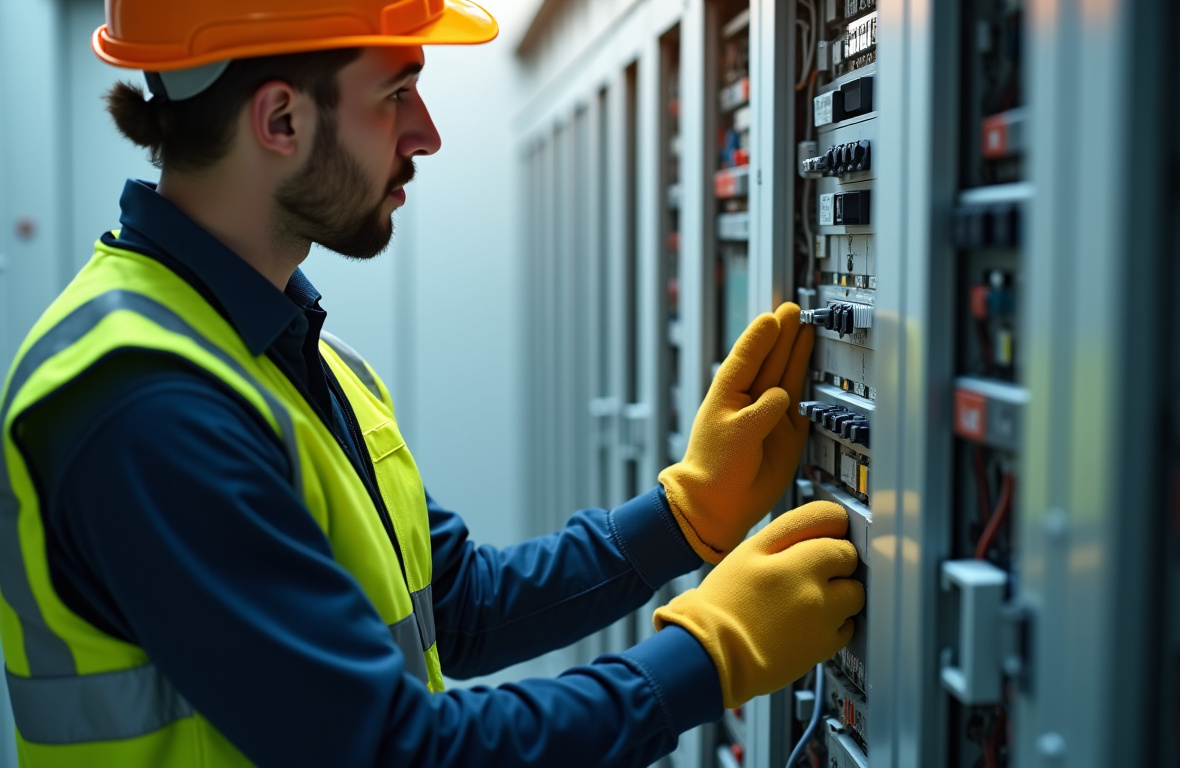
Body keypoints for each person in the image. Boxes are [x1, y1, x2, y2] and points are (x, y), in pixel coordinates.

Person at [0, 1, 864, 765]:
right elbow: (392, 751)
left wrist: (681, 516)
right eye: (397, 93)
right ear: (281, 119)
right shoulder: (147, 405)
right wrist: (707, 659)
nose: (426, 133)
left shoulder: (288, 352)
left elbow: (461, 605)